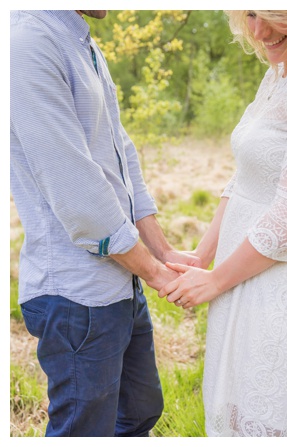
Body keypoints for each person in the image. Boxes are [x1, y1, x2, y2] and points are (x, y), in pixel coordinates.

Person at [10, 10, 201, 436]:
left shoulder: (82, 41)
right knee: (84, 431)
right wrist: (154, 273)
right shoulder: (27, 43)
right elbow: (77, 190)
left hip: (122, 280)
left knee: (138, 414)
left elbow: (121, 154)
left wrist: (163, 251)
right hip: (76, 295)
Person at [158, 10, 287, 436]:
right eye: (250, 14)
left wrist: (217, 281)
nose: (258, 31)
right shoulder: (275, 74)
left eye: (274, 15)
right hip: (237, 265)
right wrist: (203, 255)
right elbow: (243, 177)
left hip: (274, 271)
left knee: (265, 400)